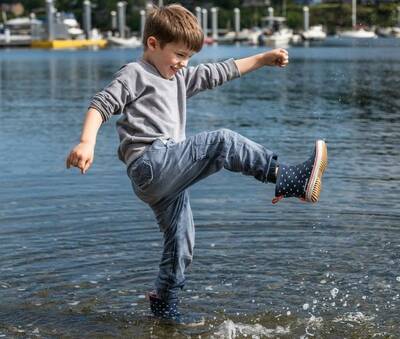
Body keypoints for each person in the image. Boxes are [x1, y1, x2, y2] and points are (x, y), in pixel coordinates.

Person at [66, 4, 327, 324]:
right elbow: (101, 105)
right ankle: (284, 177)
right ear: (152, 44)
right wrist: (86, 141)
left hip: (166, 177)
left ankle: (164, 302)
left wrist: (261, 59)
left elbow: (220, 71)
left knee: (182, 240)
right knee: (222, 142)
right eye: (178, 55)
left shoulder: (179, 77)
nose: (183, 64)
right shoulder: (135, 73)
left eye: (189, 57)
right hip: (151, 163)